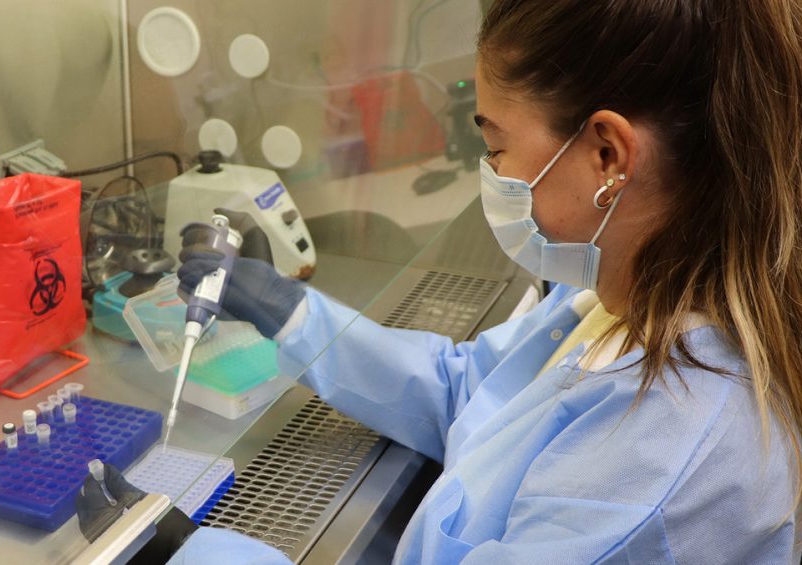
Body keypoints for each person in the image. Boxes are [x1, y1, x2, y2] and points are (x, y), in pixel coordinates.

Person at [78, 0, 802, 562]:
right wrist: (292, 311)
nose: (490, 176)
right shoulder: (622, 300)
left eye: (496, 146)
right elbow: (475, 392)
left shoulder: (661, 473)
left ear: (608, 155)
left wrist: (192, 552)